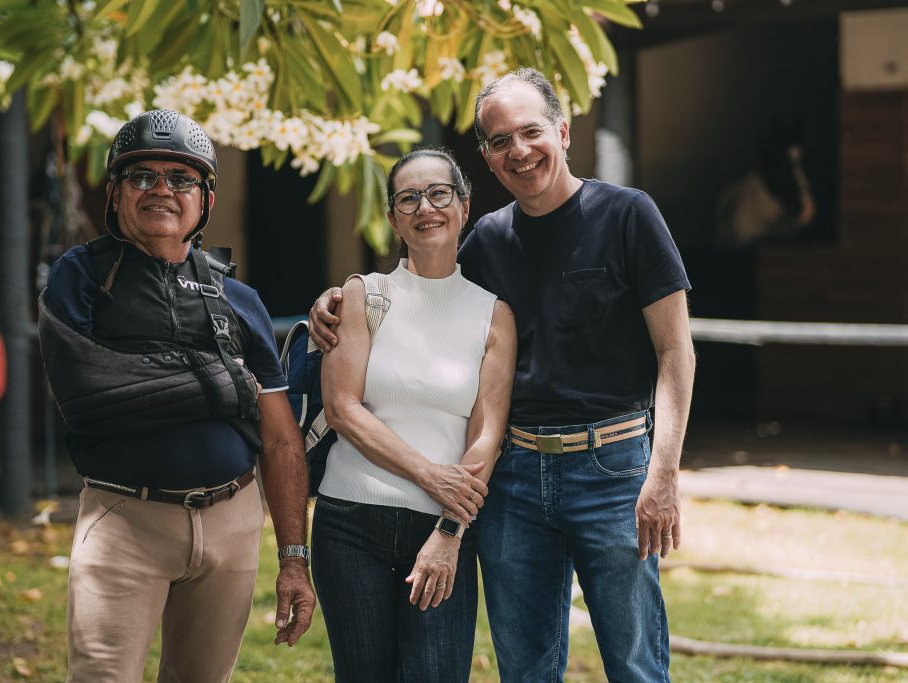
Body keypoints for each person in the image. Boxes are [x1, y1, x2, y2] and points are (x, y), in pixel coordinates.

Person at [310, 69, 695, 682]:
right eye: (498, 141)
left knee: (635, 663)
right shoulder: (487, 238)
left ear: (563, 132)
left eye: (531, 131)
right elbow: (428, 291)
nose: (518, 150)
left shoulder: (627, 215)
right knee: (525, 668)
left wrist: (664, 472)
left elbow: (677, 353)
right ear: (486, 159)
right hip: (513, 480)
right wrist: (339, 300)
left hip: (614, 468)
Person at [38, 109, 315, 682]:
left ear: (206, 201)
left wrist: (293, 557)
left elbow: (281, 436)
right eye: (142, 176)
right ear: (115, 195)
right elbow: (87, 392)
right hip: (123, 519)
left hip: (233, 523)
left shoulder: (239, 298)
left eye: (181, 179)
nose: (161, 189)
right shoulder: (84, 276)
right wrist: (222, 381)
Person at [311, 148, 516, 683]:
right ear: (392, 218)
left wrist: (450, 530)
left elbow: (487, 435)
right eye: (408, 198)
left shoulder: (494, 314)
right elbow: (342, 409)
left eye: (439, 193)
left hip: (443, 526)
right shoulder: (363, 295)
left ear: (464, 206)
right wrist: (429, 474)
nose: (426, 207)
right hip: (349, 525)